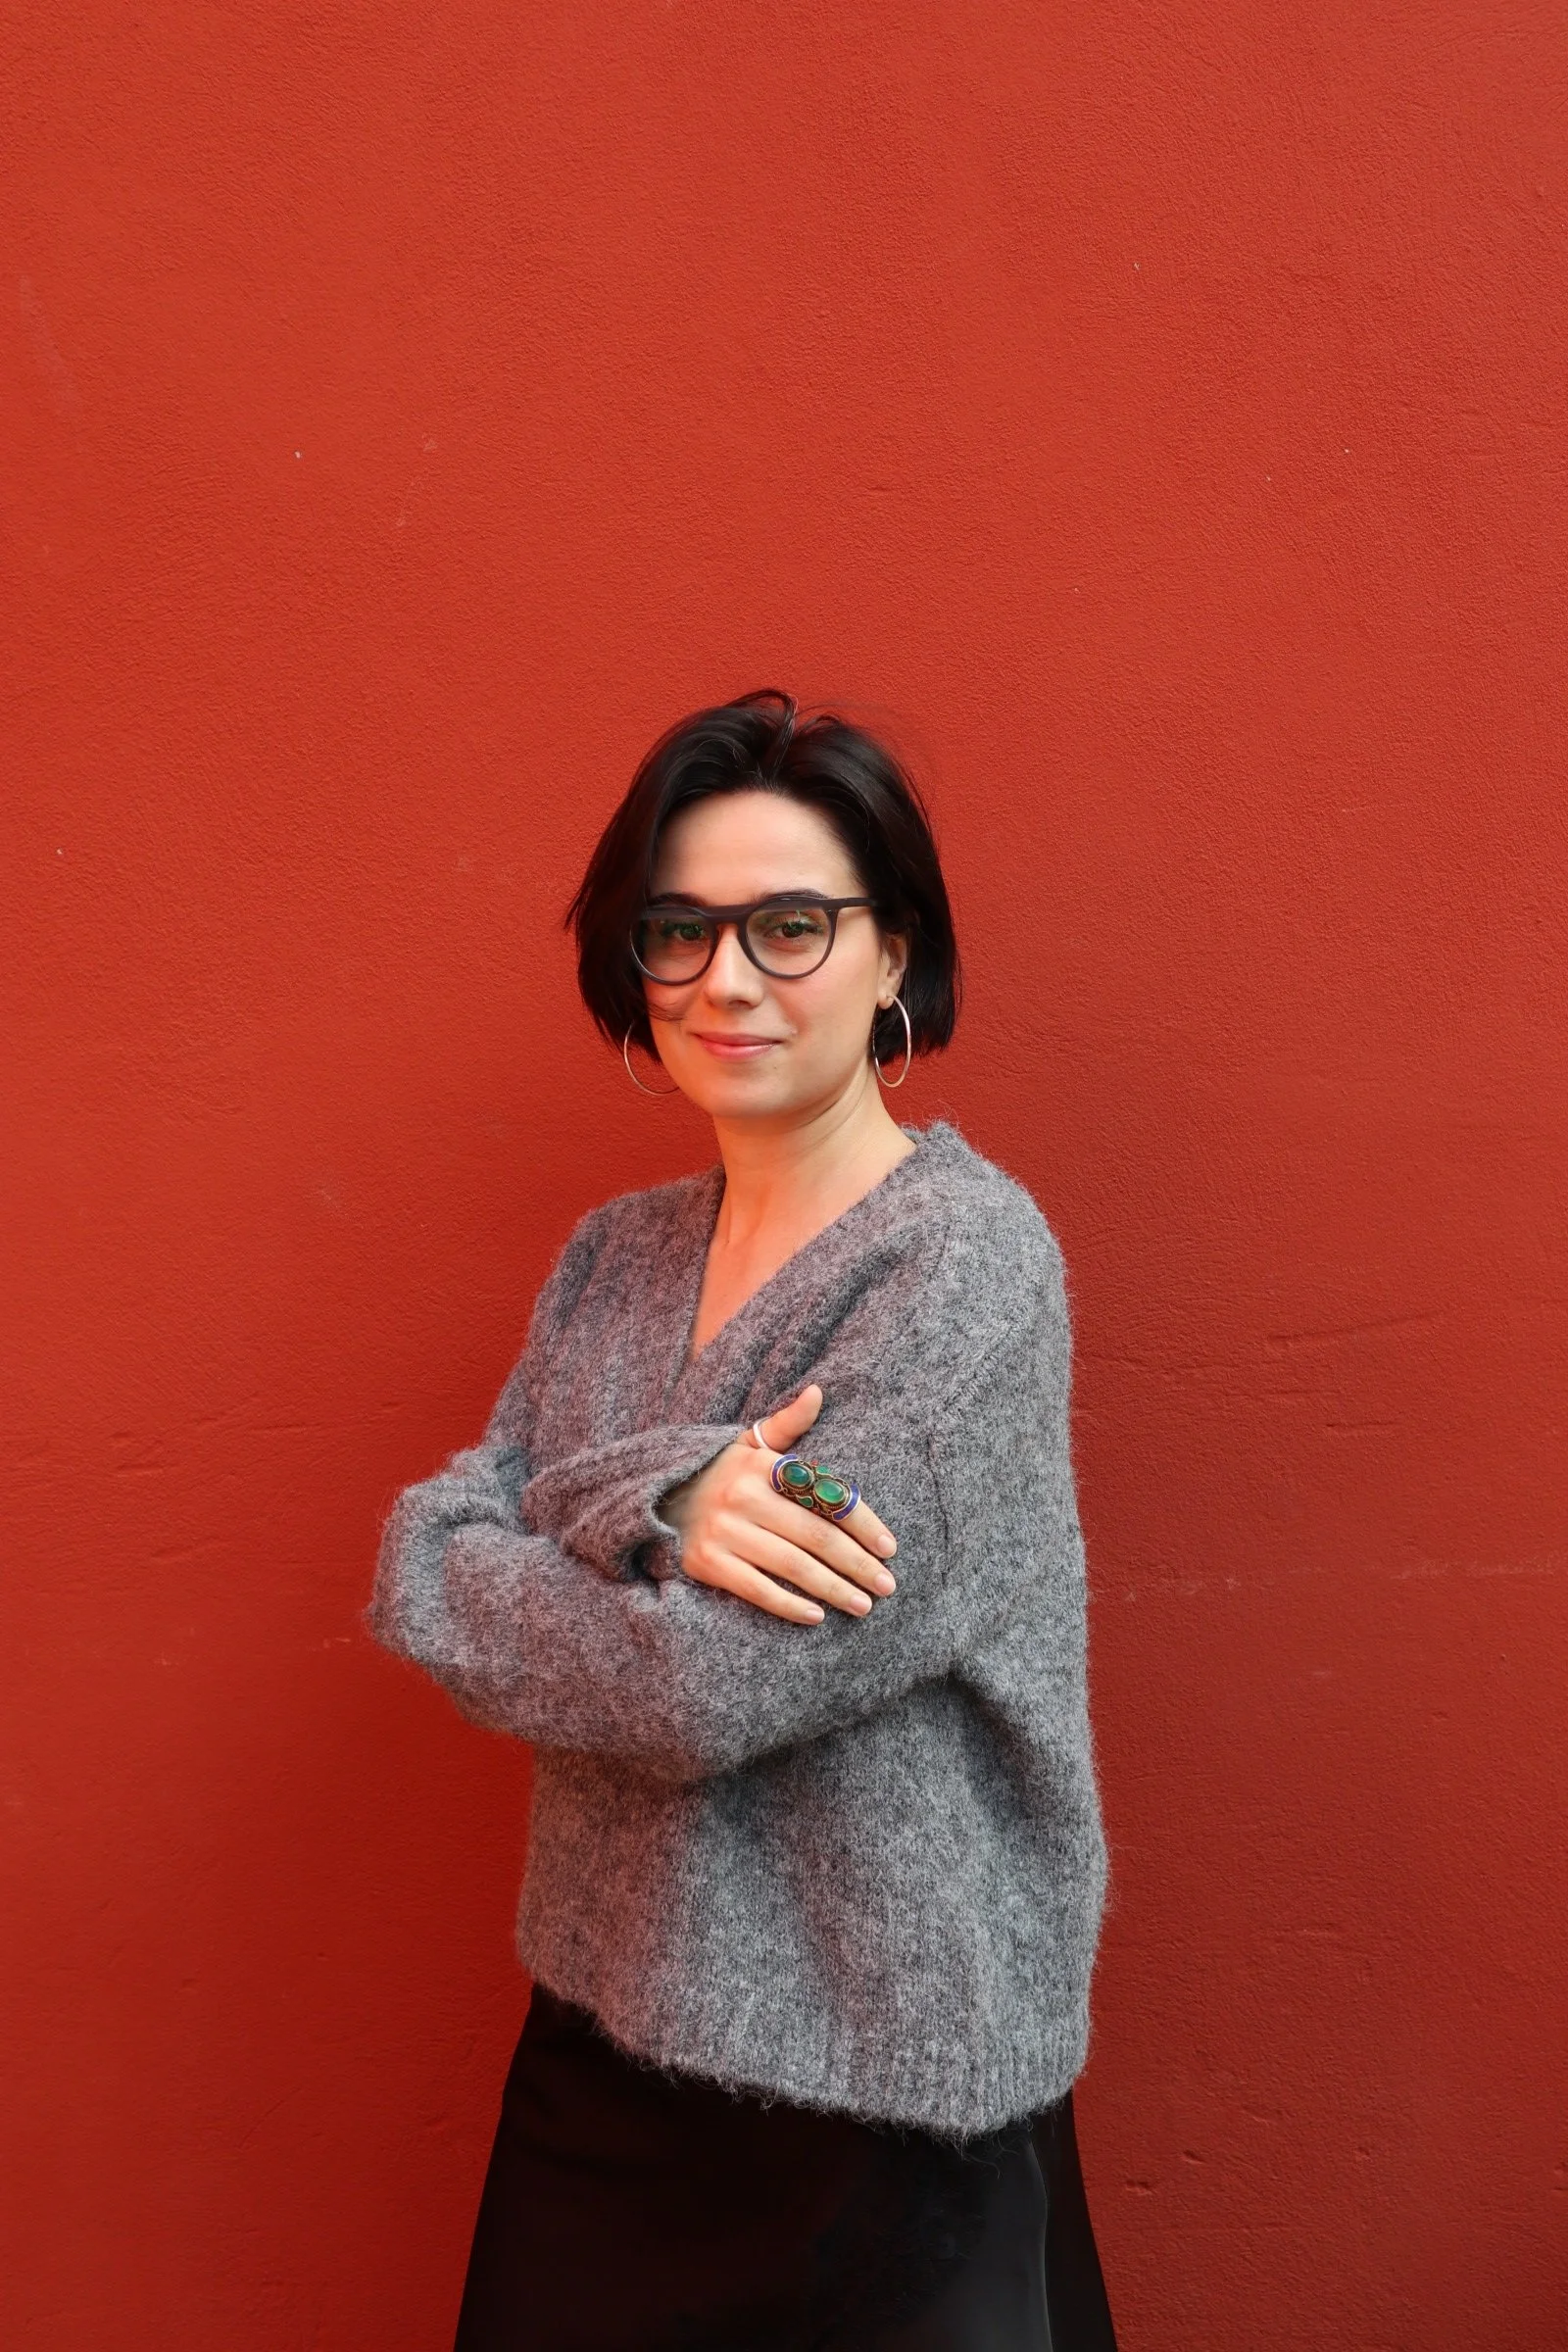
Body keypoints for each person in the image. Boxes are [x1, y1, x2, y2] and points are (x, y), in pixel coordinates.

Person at [369, 690, 1117, 2350]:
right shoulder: (610, 1259)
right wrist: (652, 1501)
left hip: (886, 2103)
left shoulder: (965, 1275)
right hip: (604, 2051)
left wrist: (564, 1517)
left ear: (893, 954)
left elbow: (709, 1685)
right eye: (680, 929)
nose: (728, 978)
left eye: (792, 924)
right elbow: (421, 1556)